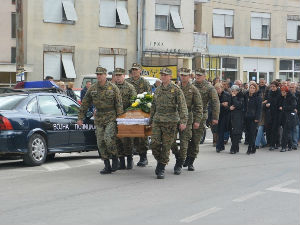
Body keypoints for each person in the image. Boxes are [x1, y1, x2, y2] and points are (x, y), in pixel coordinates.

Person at [77, 66, 123, 174]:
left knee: (108, 138)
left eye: (101, 74)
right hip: (99, 117)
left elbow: (119, 104)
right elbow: (85, 103)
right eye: (97, 74)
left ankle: (115, 157)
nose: (99, 76)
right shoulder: (92, 88)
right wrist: (80, 117)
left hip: (111, 116)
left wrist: (120, 120)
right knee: (100, 142)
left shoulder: (113, 88)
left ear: (105, 75)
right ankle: (106, 164)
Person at [150, 67, 188, 179]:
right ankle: (163, 160)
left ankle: (161, 167)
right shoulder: (157, 90)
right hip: (157, 120)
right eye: (162, 75)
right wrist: (151, 120)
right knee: (154, 144)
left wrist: (183, 121)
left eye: (166, 75)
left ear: (170, 77)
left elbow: (182, 106)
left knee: (166, 146)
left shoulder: (176, 90)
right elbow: (153, 106)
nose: (163, 77)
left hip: (171, 122)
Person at [185, 68, 220, 169]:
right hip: (188, 115)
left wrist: (215, 117)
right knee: (186, 138)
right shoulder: (191, 85)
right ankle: (186, 156)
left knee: (195, 139)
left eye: (200, 75)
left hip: (201, 115)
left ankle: (191, 160)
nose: (198, 76)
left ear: (204, 76)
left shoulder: (210, 88)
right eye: (197, 75)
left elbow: (215, 102)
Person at [171, 68, 203, 174]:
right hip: (174, 118)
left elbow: (199, 107)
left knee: (184, 143)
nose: (183, 77)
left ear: (189, 76)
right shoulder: (175, 88)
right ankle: (178, 157)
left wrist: (197, 121)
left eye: (185, 75)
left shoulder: (193, 90)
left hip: (188, 119)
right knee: (171, 142)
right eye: (182, 75)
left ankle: (179, 164)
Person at [126, 63, 151, 167]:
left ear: (140, 71)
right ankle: (129, 158)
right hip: (129, 113)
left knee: (142, 136)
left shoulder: (144, 82)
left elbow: (149, 97)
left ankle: (143, 157)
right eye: (133, 70)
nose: (134, 71)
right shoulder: (127, 82)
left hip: (141, 112)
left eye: (136, 70)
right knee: (129, 136)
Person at [114, 68, 137, 169]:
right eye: (116, 75)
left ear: (124, 76)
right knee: (117, 139)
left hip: (127, 116)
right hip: (115, 116)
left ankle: (129, 159)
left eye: (120, 75)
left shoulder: (130, 87)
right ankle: (121, 161)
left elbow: (134, 102)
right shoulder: (112, 87)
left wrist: (128, 113)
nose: (118, 77)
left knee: (128, 140)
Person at [244, 83, 262, 154]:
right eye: (250, 88)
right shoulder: (246, 96)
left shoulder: (258, 97)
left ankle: (249, 148)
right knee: (248, 133)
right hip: (246, 117)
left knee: (252, 133)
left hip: (254, 118)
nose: (251, 89)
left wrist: (257, 118)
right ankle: (253, 147)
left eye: (253, 88)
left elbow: (259, 109)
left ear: (256, 89)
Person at [279, 86, 297, 152]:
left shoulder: (292, 97)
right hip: (284, 116)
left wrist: (284, 107)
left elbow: (293, 106)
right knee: (287, 132)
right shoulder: (283, 97)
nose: (281, 93)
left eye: (282, 92)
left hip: (290, 117)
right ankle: (290, 145)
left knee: (285, 132)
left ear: (286, 92)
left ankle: (284, 147)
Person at [215, 83, 231, 153]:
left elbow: (227, 106)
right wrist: (221, 104)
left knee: (221, 131)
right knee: (218, 131)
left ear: (222, 88)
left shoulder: (226, 94)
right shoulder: (215, 95)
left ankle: (219, 146)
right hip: (217, 115)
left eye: (218, 88)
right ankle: (221, 146)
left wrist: (220, 105)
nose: (217, 90)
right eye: (216, 89)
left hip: (225, 115)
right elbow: (214, 104)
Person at [265, 81, 281, 150]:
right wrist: (267, 104)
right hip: (270, 113)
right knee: (270, 129)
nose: (272, 88)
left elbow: (278, 102)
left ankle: (274, 144)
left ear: (277, 87)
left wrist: (270, 103)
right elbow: (268, 100)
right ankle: (273, 143)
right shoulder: (270, 92)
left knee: (275, 129)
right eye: (271, 86)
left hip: (277, 113)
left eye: (274, 87)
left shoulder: (279, 93)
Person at [229, 85, 244, 154]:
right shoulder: (230, 96)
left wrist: (234, 97)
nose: (233, 92)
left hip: (238, 116)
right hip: (231, 116)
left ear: (237, 91)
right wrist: (229, 107)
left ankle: (233, 148)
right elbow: (228, 104)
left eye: (234, 91)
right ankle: (236, 147)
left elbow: (239, 105)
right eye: (232, 91)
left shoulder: (241, 96)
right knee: (232, 133)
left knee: (236, 132)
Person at [289, 82, 300, 150]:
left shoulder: (298, 94)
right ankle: (290, 143)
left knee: (295, 129)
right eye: (290, 87)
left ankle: (295, 143)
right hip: (288, 113)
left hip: (296, 113)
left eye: (292, 87)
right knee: (289, 129)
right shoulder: (288, 94)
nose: (291, 89)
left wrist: (297, 110)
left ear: (295, 88)